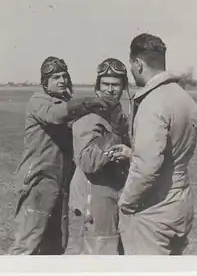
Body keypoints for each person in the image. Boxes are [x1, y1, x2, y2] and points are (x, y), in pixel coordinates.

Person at [9, 56, 118, 255]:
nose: (61, 81)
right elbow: (55, 115)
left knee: (56, 245)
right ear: (45, 82)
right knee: (27, 244)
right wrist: (87, 103)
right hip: (38, 182)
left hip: (61, 184)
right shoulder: (39, 101)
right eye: (55, 77)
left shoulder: (68, 103)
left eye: (64, 76)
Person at [108, 33, 197, 255]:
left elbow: (147, 167)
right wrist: (134, 153)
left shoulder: (153, 103)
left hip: (154, 210)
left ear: (138, 64)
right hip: (180, 203)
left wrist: (126, 203)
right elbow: (173, 153)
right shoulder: (185, 99)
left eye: (132, 67)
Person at [65, 58, 132, 255]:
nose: (110, 90)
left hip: (110, 194)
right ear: (98, 86)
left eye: (116, 84)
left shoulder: (116, 115)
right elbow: (88, 160)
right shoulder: (91, 116)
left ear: (123, 87)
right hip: (91, 195)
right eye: (105, 84)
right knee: (95, 255)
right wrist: (113, 140)